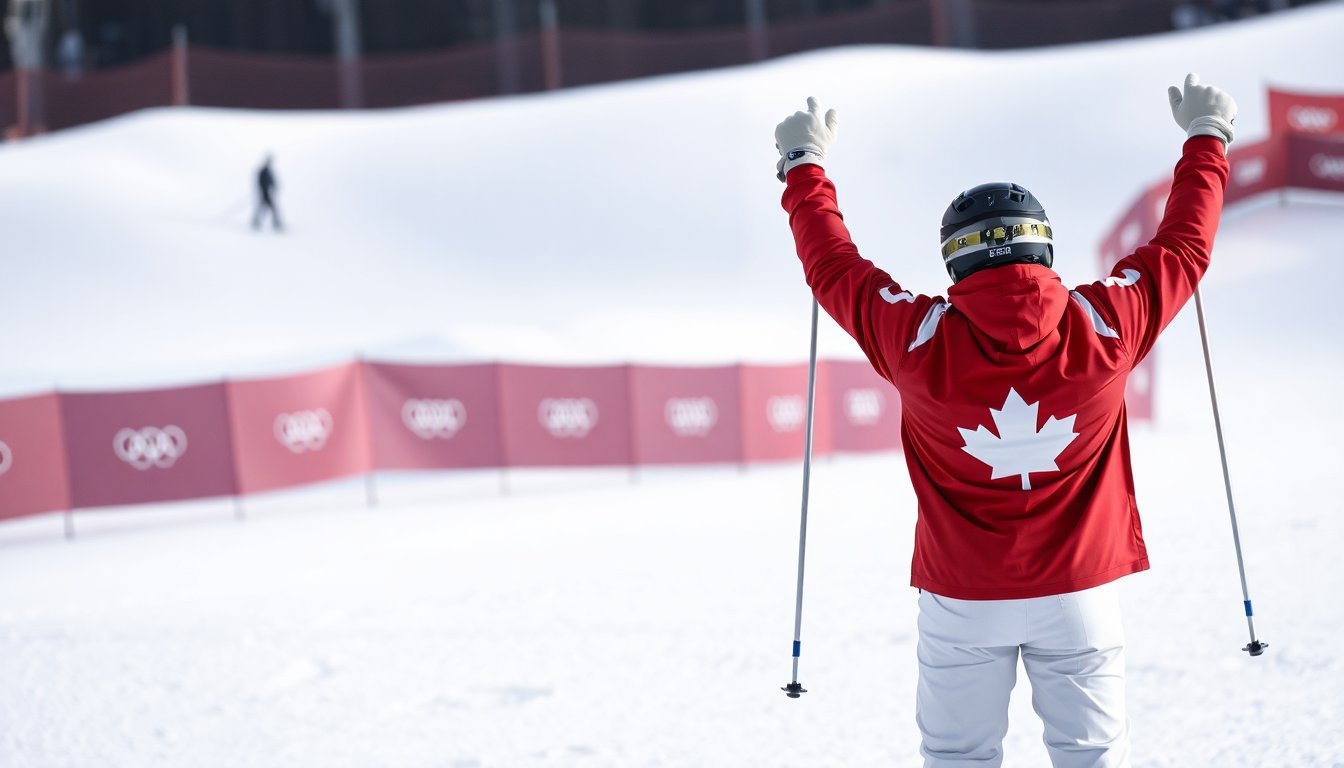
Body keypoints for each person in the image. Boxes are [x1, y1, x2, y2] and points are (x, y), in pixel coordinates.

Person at [774, 73, 1236, 767]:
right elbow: (1183, 249)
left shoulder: (916, 337)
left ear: (955, 260)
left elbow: (834, 269)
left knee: (959, 757)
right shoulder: (1103, 322)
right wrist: (1208, 139)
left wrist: (804, 168)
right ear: (1042, 246)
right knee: (1094, 756)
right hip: (1080, 590)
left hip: (962, 597)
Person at [252, 154, 283, 231]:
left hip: (267, 193)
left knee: (264, 207)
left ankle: (257, 221)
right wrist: (263, 188)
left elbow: (272, 181)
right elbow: (260, 181)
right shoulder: (263, 171)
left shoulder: (268, 171)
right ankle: (257, 221)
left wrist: (274, 186)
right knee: (268, 207)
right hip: (264, 193)